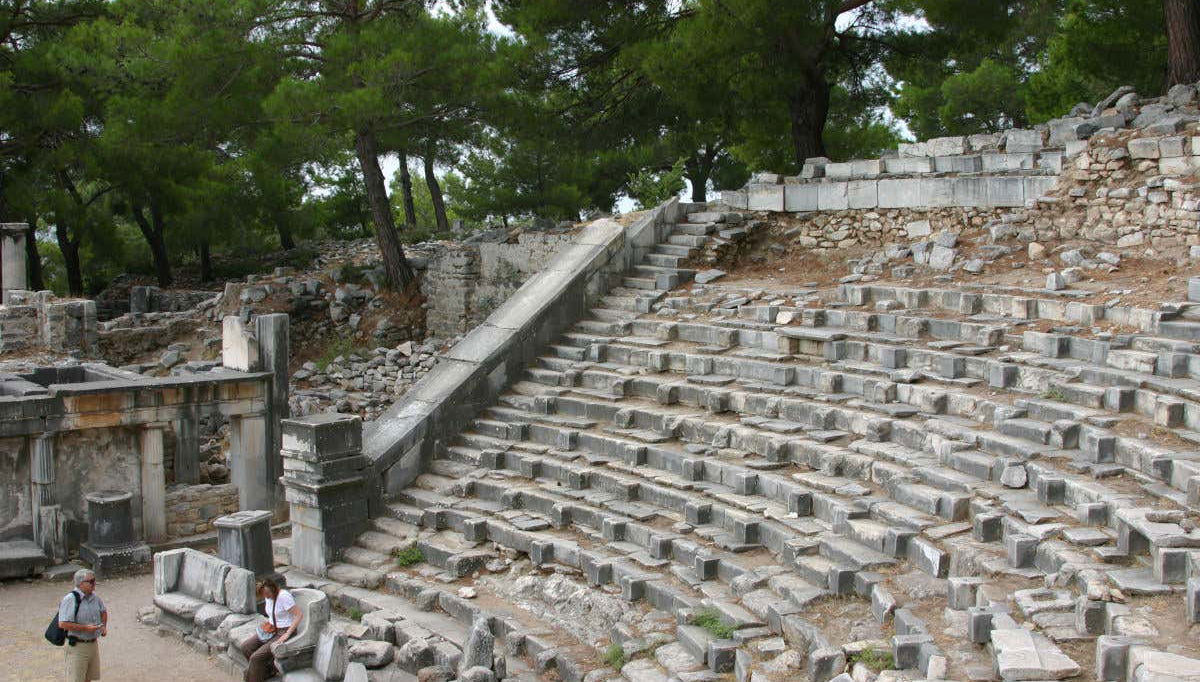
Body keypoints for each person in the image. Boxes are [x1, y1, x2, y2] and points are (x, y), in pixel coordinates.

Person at [239, 578, 302, 682]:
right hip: (271, 628)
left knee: (256, 658)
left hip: (284, 631)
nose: (266, 597)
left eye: (267, 594)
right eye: (264, 595)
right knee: (245, 647)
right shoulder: (268, 596)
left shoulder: (283, 596)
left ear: (274, 588)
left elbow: (299, 615)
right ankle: (267, 671)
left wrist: (287, 634)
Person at [58, 568, 107, 682]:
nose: (94, 583)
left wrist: (103, 626)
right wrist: (85, 628)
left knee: (88, 678)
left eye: (94, 580)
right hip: (77, 646)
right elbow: (63, 623)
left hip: (92, 644)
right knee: (77, 679)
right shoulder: (70, 599)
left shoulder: (95, 597)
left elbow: (103, 611)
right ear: (81, 583)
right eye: (91, 581)